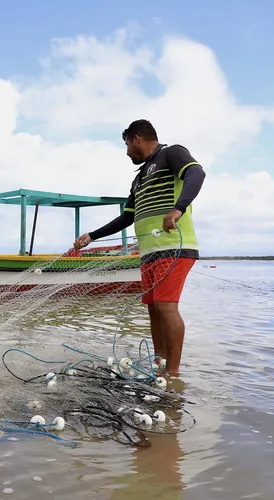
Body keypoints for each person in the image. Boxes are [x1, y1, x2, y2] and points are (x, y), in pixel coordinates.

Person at [73, 119, 205, 376]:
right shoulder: (139, 179)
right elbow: (126, 217)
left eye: (126, 144)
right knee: (153, 308)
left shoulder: (171, 153)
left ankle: (174, 373)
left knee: (167, 307)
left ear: (137, 139)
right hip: (149, 253)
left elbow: (196, 173)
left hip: (174, 247)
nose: (126, 152)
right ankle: (159, 364)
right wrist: (93, 235)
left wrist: (178, 208)